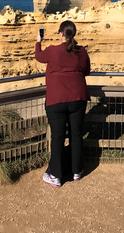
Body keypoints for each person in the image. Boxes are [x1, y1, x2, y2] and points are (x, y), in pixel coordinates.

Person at [35, 20, 91, 187]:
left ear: (61, 33)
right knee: (76, 135)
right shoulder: (81, 51)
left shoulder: (52, 50)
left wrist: (38, 41)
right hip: (78, 98)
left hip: (57, 100)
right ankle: (76, 171)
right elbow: (86, 71)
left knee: (58, 138)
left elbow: (38, 56)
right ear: (73, 34)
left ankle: (56, 175)